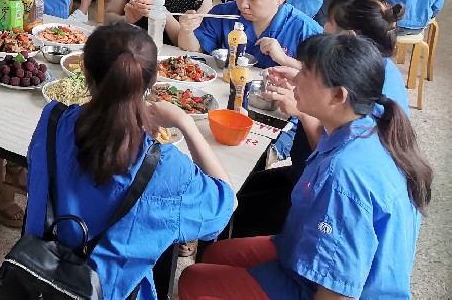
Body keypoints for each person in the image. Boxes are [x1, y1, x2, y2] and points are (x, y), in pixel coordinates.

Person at [179, 34, 432, 300]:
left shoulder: (344, 175)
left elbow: (337, 292)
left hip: (326, 287)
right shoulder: (370, 120)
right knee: (216, 252)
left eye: (306, 74)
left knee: (192, 280)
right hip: (301, 253)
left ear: (338, 95)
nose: (296, 80)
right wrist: (303, 102)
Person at [26, 24, 235, 299]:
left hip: (34, 277)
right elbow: (226, 205)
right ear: (153, 80)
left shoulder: (53, 119)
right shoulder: (164, 167)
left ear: (83, 70)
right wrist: (186, 124)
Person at [230, 0, 410, 239]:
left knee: (235, 210)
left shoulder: (348, 160)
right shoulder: (376, 69)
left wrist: (303, 111)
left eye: (330, 24)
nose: (324, 27)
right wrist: (303, 79)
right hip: (304, 175)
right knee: (238, 188)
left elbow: (328, 160)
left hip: (319, 195)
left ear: (348, 39)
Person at [178, 0, 321, 69]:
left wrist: (285, 60)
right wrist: (187, 30)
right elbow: (194, 50)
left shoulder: (305, 30)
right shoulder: (223, 13)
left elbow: (325, 79)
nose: (243, 5)